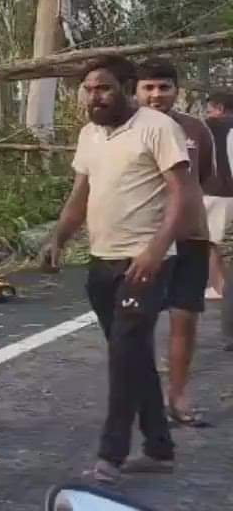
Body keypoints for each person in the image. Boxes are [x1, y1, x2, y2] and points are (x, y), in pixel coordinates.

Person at [40, 55, 189, 484]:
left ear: (126, 87)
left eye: (103, 88)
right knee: (133, 355)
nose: (94, 97)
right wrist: (57, 239)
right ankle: (160, 448)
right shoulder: (90, 135)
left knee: (124, 355)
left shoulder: (159, 129)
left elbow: (183, 194)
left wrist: (156, 250)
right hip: (102, 261)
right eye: (89, 89)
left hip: (145, 263)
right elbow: (80, 195)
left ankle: (112, 454)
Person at [134, 58, 214, 427]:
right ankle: (140, 399)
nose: (156, 94)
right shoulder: (124, 129)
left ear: (176, 90)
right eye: (148, 87)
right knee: (137, 324)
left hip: (190, 240)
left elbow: (203, 177)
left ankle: (178, 397)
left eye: (164, 87)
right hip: (143, 240)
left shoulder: (196, 129)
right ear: (135, 90)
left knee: (184, 319)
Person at [202, 91, 233, 352]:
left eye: (210, 107)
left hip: (215, 192)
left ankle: (219, 287)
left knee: (213, 243)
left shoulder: (208, 127)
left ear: (220, 107)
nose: (208, 112)